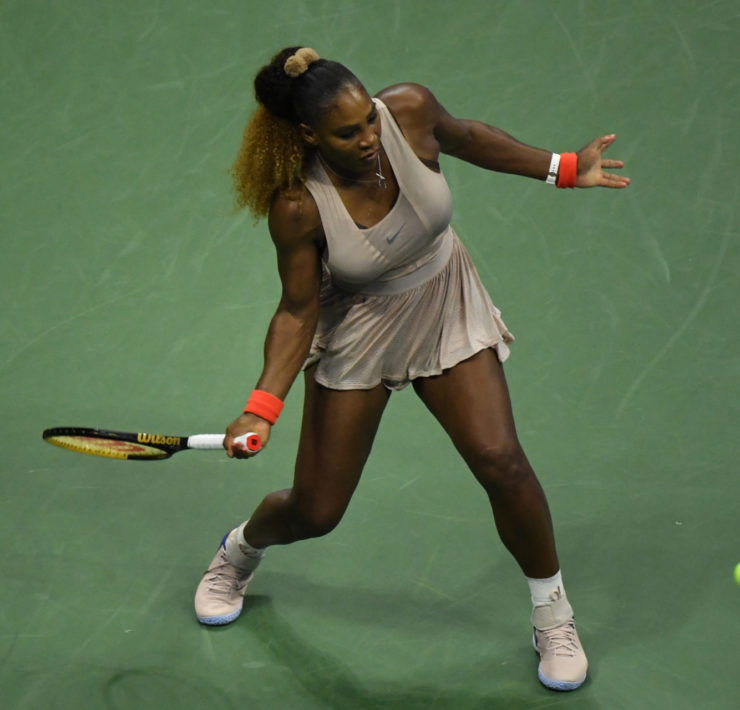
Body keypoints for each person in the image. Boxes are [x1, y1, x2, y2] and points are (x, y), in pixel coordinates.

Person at [194, 46, 630, 692]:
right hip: (362, 329)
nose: (370, 137)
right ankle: (240, 550)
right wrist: (261, 408)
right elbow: (297, 310)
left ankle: (553, 614)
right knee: (317, 511)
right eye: (348, 133)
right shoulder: (298, 205)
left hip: (444, 299)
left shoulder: (410, 110)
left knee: (501, 460)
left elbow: (469, 138)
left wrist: (562, 168)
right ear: (310, 136)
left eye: (369, 118)